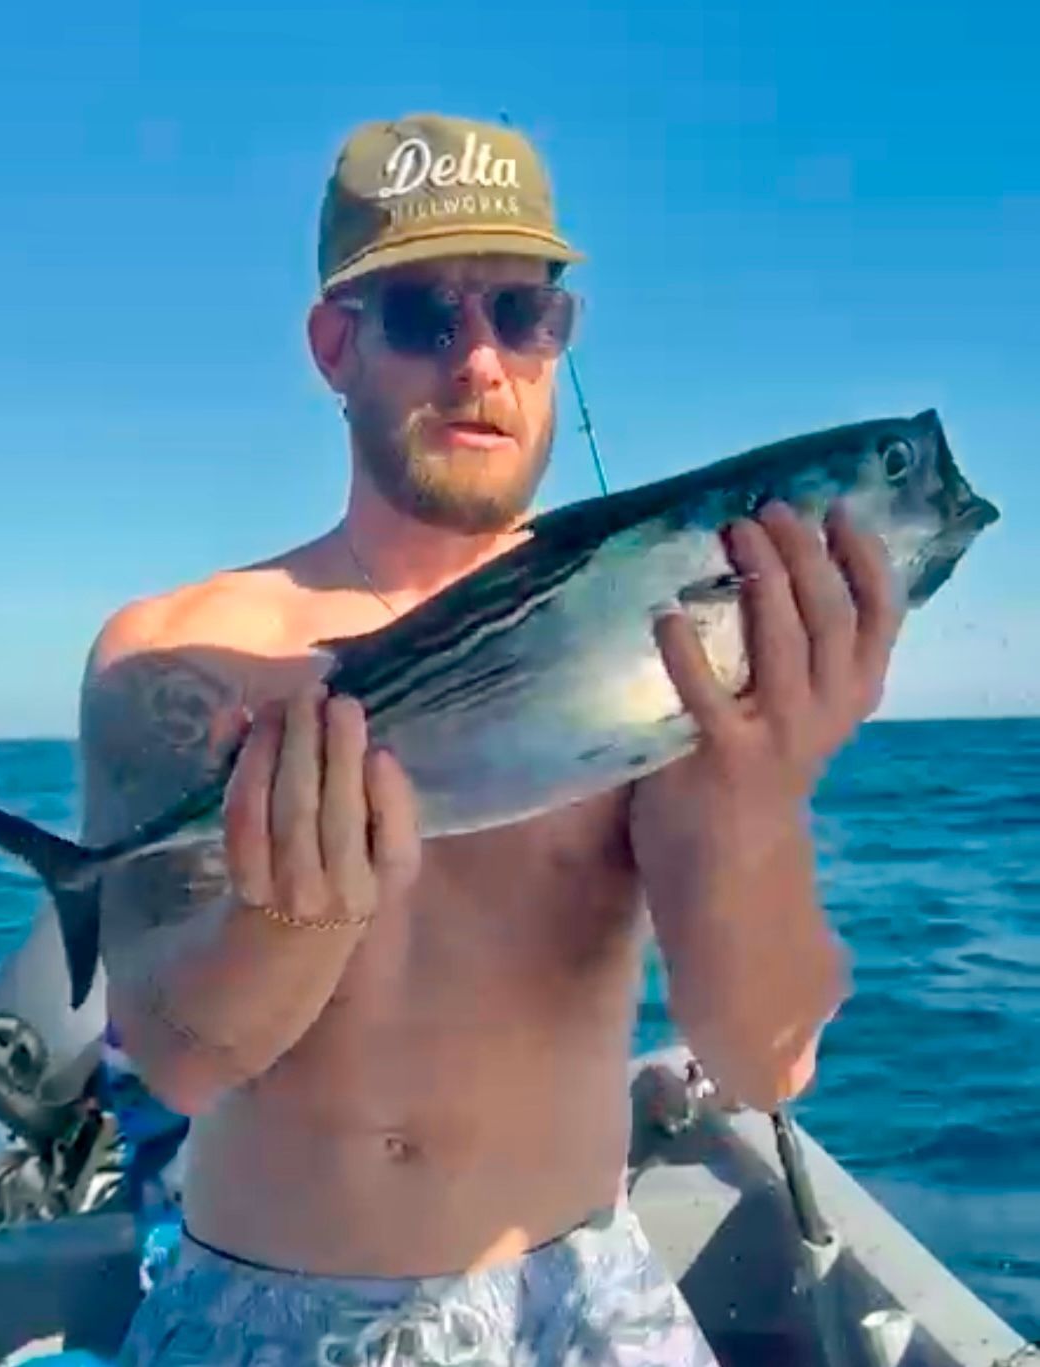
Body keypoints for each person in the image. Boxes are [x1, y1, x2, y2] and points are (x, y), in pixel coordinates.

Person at [87, 113, 899, 1365]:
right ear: (334, 345)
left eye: (522, 315)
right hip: (266, 1308)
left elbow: (762, 1057)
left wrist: (763, 791)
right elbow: (179, 1064)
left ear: (560, 337)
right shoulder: (173, 654)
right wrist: (299, 915)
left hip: (586, 1296)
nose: (482, 362)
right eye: (425, 316)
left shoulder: (663, 634)